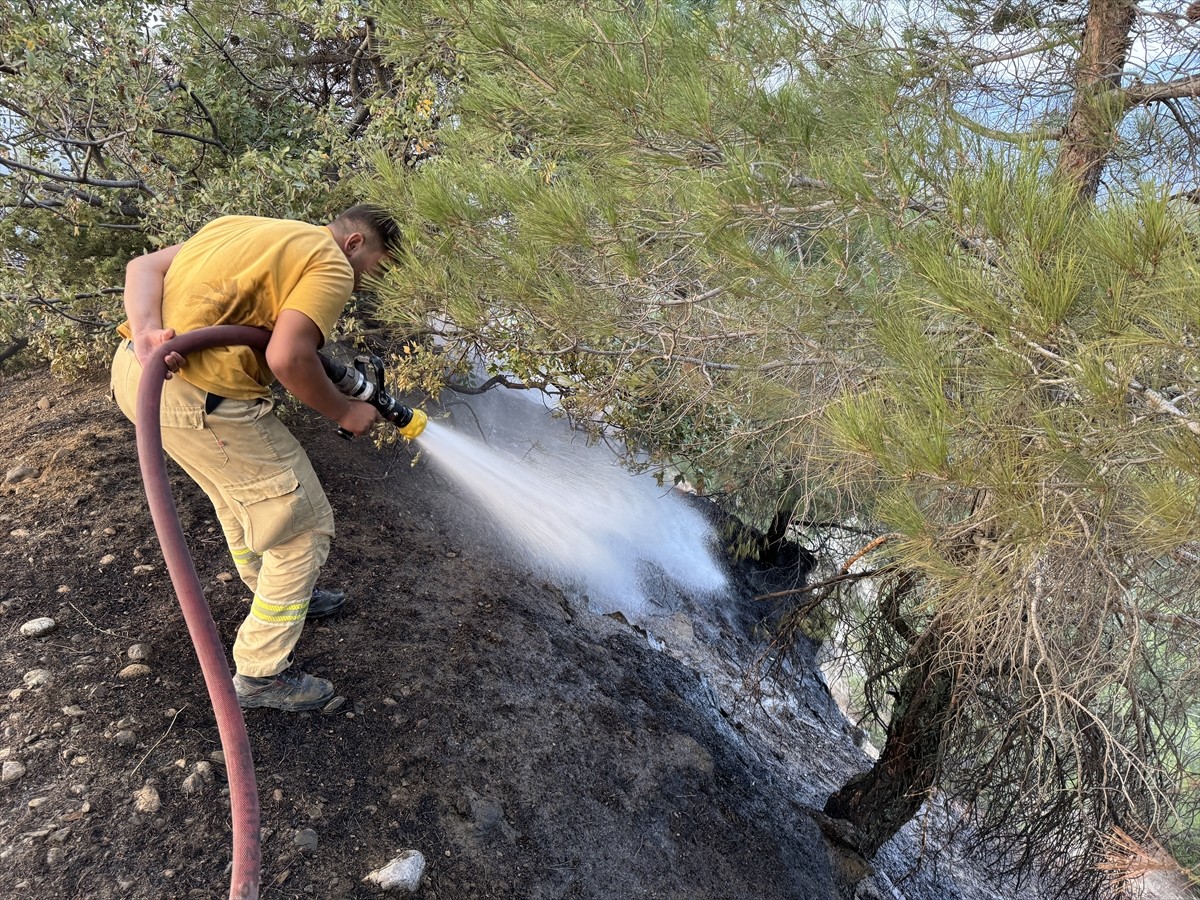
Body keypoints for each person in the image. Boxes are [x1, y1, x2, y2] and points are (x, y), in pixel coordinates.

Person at [110, 206, 400, 711]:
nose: (370, 282)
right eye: (378, 267)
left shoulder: (246, 226)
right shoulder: (331, 263)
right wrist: (345, 412)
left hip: (138, 379)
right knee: (303, 525)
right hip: (200, 398)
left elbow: (143, 267)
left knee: (235, 495)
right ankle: (262, 673)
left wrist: (146, 333)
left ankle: (284, 595)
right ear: (354, 243)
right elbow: (287, 357)